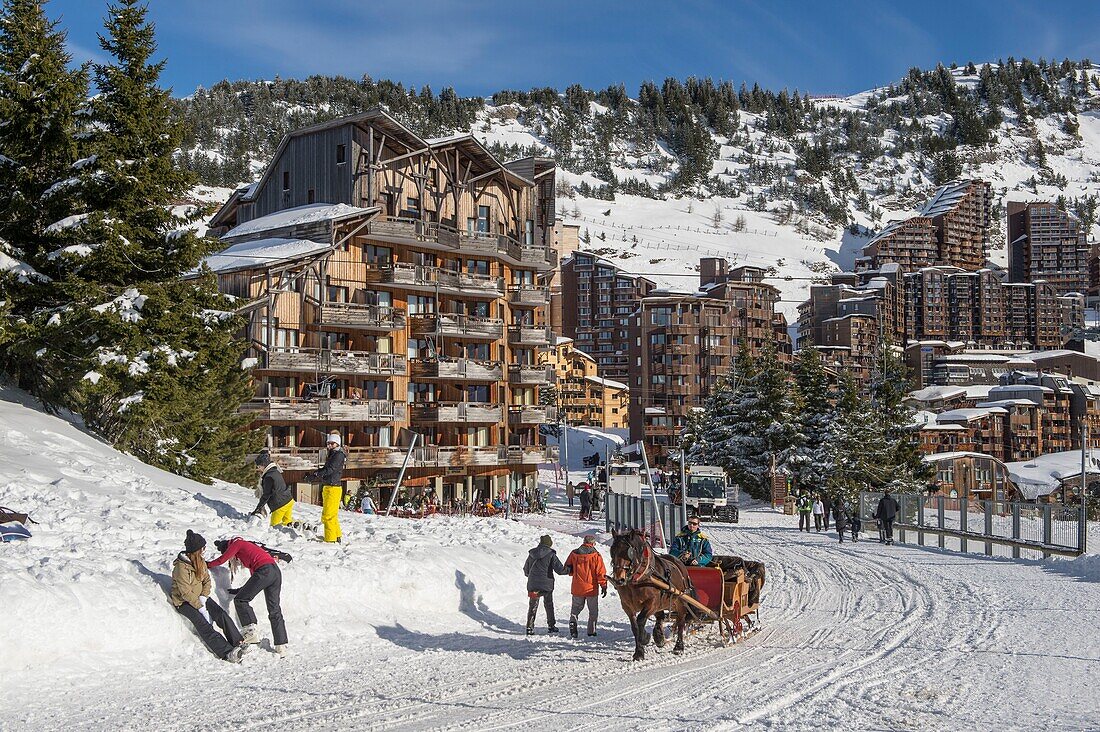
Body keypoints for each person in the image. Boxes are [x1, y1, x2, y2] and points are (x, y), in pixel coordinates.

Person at [169, 530, 245, 663]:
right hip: (184, 602)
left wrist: (204, 597)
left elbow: (207, 581)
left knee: (221, 615)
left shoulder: (200, 561)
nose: (204, 550)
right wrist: (200, 607)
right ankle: (227, 652)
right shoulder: (181, 568)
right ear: (196, 550)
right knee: (204, 624)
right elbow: (185, 592)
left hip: (200, 597)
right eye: (202, 548)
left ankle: (238, 642)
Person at [207, 537, 289, 656]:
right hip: (275, 571)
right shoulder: (251, 548)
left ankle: (251, 632)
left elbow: (222, 559)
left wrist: (207, 564)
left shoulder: (237, 544)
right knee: (274, 608)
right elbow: (254, 581)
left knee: (241, 600)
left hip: (264, 570)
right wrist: (241, 590)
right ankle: (281, 645)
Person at [303, 433, 346, 543]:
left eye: (332, 443)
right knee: (331, 515)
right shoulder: (333, 454)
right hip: (329, 486)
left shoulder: (338, 455)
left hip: (333, 487)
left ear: (337, 444)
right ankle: (337, 536)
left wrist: (317, 474)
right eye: (328, 443)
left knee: (328, 516)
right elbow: (327, 469)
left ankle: (330, 539)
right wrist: (314, 474)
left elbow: (330, 469)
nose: (330, 445)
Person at [523, 535, 568, 634]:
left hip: (533, 585)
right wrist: (570, 570)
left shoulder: (532, 554)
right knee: (548, 604)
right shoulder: (551, 555)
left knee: (532, 606)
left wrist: (534, 577)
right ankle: (551, 626)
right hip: (547, 586)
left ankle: (529, 627)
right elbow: (560, 570)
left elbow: (526, 571)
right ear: (549, 544)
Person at [564, 535, 607, 638]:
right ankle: (591, 631)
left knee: (575, 609)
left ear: (584, 542)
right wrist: (603, 585)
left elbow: (567, 567)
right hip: (591, 588)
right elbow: (600, 572)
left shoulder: (574, 553)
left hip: (577, 587)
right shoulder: (596, 555)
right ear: (592, 544)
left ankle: (573, 622)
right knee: (593, 611)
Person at [252, 451, 294, 527]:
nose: (258, 468)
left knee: (274, 527)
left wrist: (258, 508)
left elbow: (266, 494)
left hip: (280, 505)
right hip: (289, 500)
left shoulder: (268, 477)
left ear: (263, 465)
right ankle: (300, 526)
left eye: (259, 466)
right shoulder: (275, 471)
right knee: (287, 522)